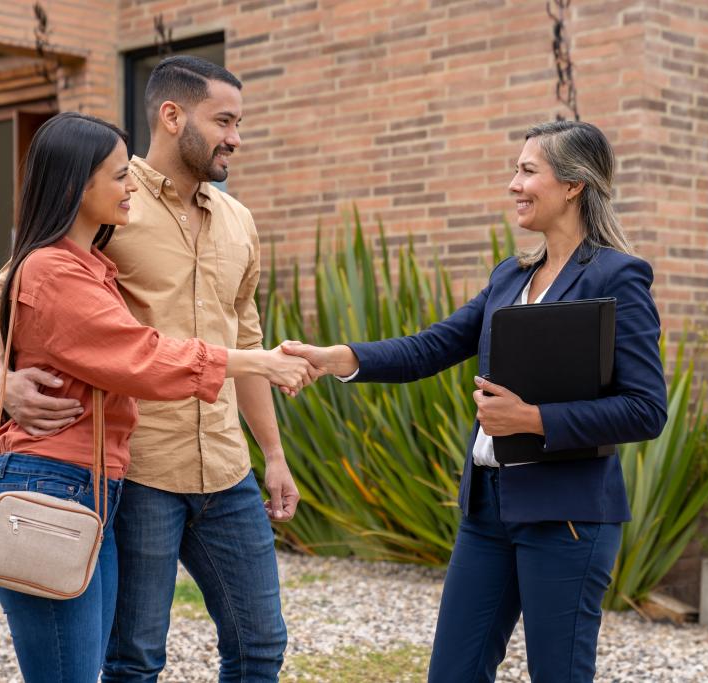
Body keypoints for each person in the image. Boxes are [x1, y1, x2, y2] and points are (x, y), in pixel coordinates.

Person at [282, 120, 668, 683]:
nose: (514, 183)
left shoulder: (616, 276)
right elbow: (432, 347)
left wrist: (531, 420)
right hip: (487, 510)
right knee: (453, 672)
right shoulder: (511, 277)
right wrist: (336, 357)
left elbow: (646, 408)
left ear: (573, 186)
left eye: (527, 170)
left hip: (567, 517)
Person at [0, 57, 305, 682]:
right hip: (142, 470)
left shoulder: (239, 221)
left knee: (261, 645)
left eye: (240, 121)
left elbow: (247, 337)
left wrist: (274, 453)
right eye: (225, 120)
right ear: (173, 116)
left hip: (227, 467)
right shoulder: (107, 203)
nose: (237, 136)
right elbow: (1, 298)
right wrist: (0, 379)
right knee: (134, 659)